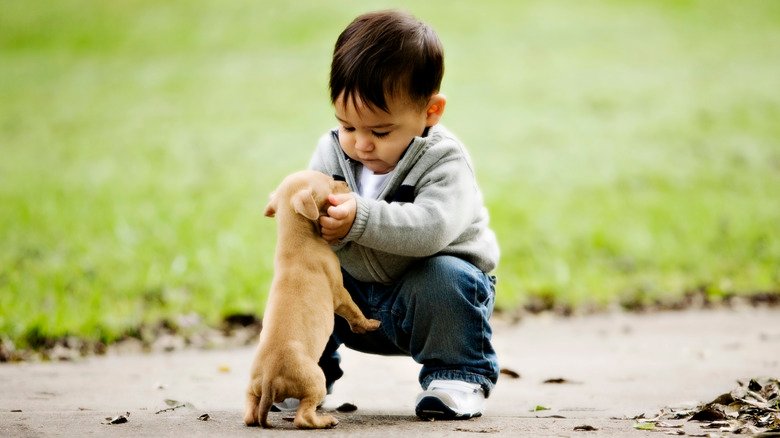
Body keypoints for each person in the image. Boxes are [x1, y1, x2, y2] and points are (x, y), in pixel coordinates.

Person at [300, 9, 500, 420]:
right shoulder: (332, 150)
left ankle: (458, 376)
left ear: (430, 111)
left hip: (426, 300)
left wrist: (360, 219)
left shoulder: (443, 159)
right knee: (305, 274)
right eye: (347, 126)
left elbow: (432, 228)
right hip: (351, 300)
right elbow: (305, 212)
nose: (361, 144)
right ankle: (305, 375)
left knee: (447, 276)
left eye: (380, 131)